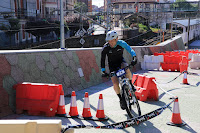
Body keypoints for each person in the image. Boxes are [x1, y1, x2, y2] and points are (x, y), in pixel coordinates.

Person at [101, 30, 137, 110]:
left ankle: (131, 84)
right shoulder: (106, 48)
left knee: (127, 69)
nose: (110, 43)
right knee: (115, 83)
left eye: (112, 41)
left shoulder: (121, 43)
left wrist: (134, 57)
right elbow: (102, 60)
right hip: (112, 66)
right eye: (109, 41)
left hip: (121, 62)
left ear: (116, 39)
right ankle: (121, 98)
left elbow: (130, 49)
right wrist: (103, 71)